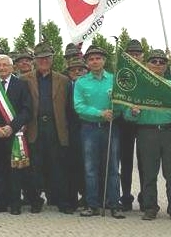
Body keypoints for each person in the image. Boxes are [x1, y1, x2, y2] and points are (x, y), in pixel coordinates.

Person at [128, 50, 171, 222]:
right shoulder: (138, 87)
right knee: (148, 173)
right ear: (147, 64)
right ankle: (150, 208)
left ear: (166, 65)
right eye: (153, 61)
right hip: (147, 132)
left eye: (162, 61)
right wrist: (133, 112)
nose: (158, 64)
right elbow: (126, 114)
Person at [0, 54, 39, 215]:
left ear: (12, 67)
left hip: (16, 135)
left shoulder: (21, 84)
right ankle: (1, 202)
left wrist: (11, 127)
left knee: (18, 171)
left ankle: (16, 203)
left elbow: (27, 110)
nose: (1, 68)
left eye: (4, 65)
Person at [21, 42, 72, 214]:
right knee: (35, 166)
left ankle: (63, 201)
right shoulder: (25, 79)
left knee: (58, 166)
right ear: (35, 60)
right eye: (40, 58)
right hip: (34, 128)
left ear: (52, 59)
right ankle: (35, 200)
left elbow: (68, 108)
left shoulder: (63, 80)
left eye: (47, 58)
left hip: (56, 127)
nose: (44, 61)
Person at [74, 45, 124, 219]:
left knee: (112, 168)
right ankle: (92, 204)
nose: (95, 62)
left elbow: (122, 104)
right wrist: (99, 113)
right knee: (90, 169)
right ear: (87, 62)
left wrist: (115, 108)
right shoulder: (81, 82)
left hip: (110, 128)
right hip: (89, 129)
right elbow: (79, 106)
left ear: (104, 60)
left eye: (98, 58)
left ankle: (114, 205)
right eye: (91, 59)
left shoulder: (114, 80)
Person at [119, 38, 144, 211]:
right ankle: (126, 196)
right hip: (124, 122)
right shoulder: (120, 74)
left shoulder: (148, 73)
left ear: (142, 56)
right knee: (126, 161)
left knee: (144, 162)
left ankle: (145, 196)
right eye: (131, 54)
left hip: (143, 123)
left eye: (137, 54)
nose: (135, 57)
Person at [65, 57, 88, 211]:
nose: (77, 72)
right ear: (69, 73)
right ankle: (71, 199)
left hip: (89, 128)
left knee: (89, 166)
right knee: (72, 165)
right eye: (73, 70)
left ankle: (88, 197)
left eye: (80, 69)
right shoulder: (66, 86)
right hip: (70, 131)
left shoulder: (89, 85)